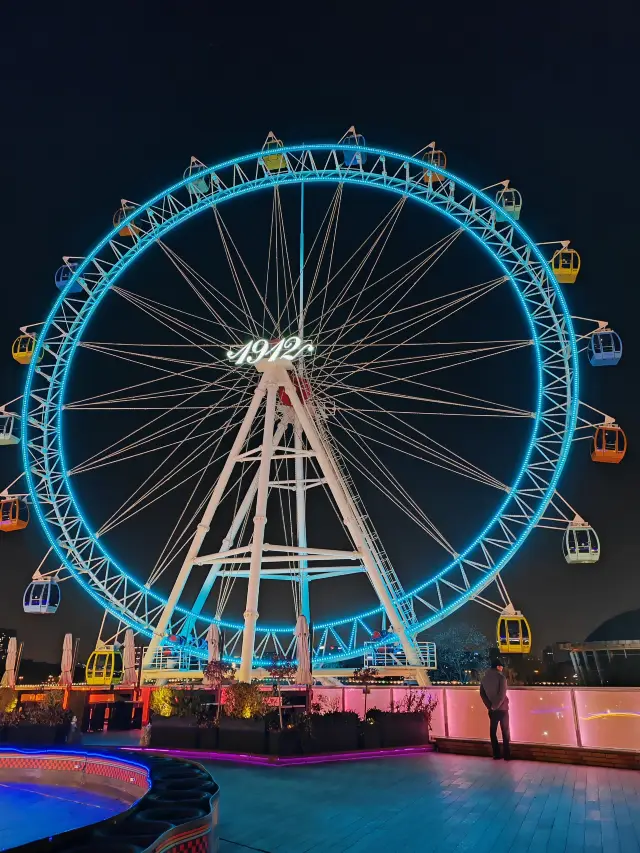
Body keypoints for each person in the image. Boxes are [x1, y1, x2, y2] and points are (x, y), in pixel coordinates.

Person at [480, 657, 511, 760]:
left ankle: (496, 754)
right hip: (502, 709)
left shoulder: (484, 678)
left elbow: (482, 694)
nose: (502, 669)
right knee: (505, 731)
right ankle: (506, 755)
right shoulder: (501, 678)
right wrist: (495, 706)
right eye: (501, 667)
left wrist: (490, 706)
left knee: (493, 732)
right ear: (498, 667)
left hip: (492, 710)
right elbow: (502, 695)